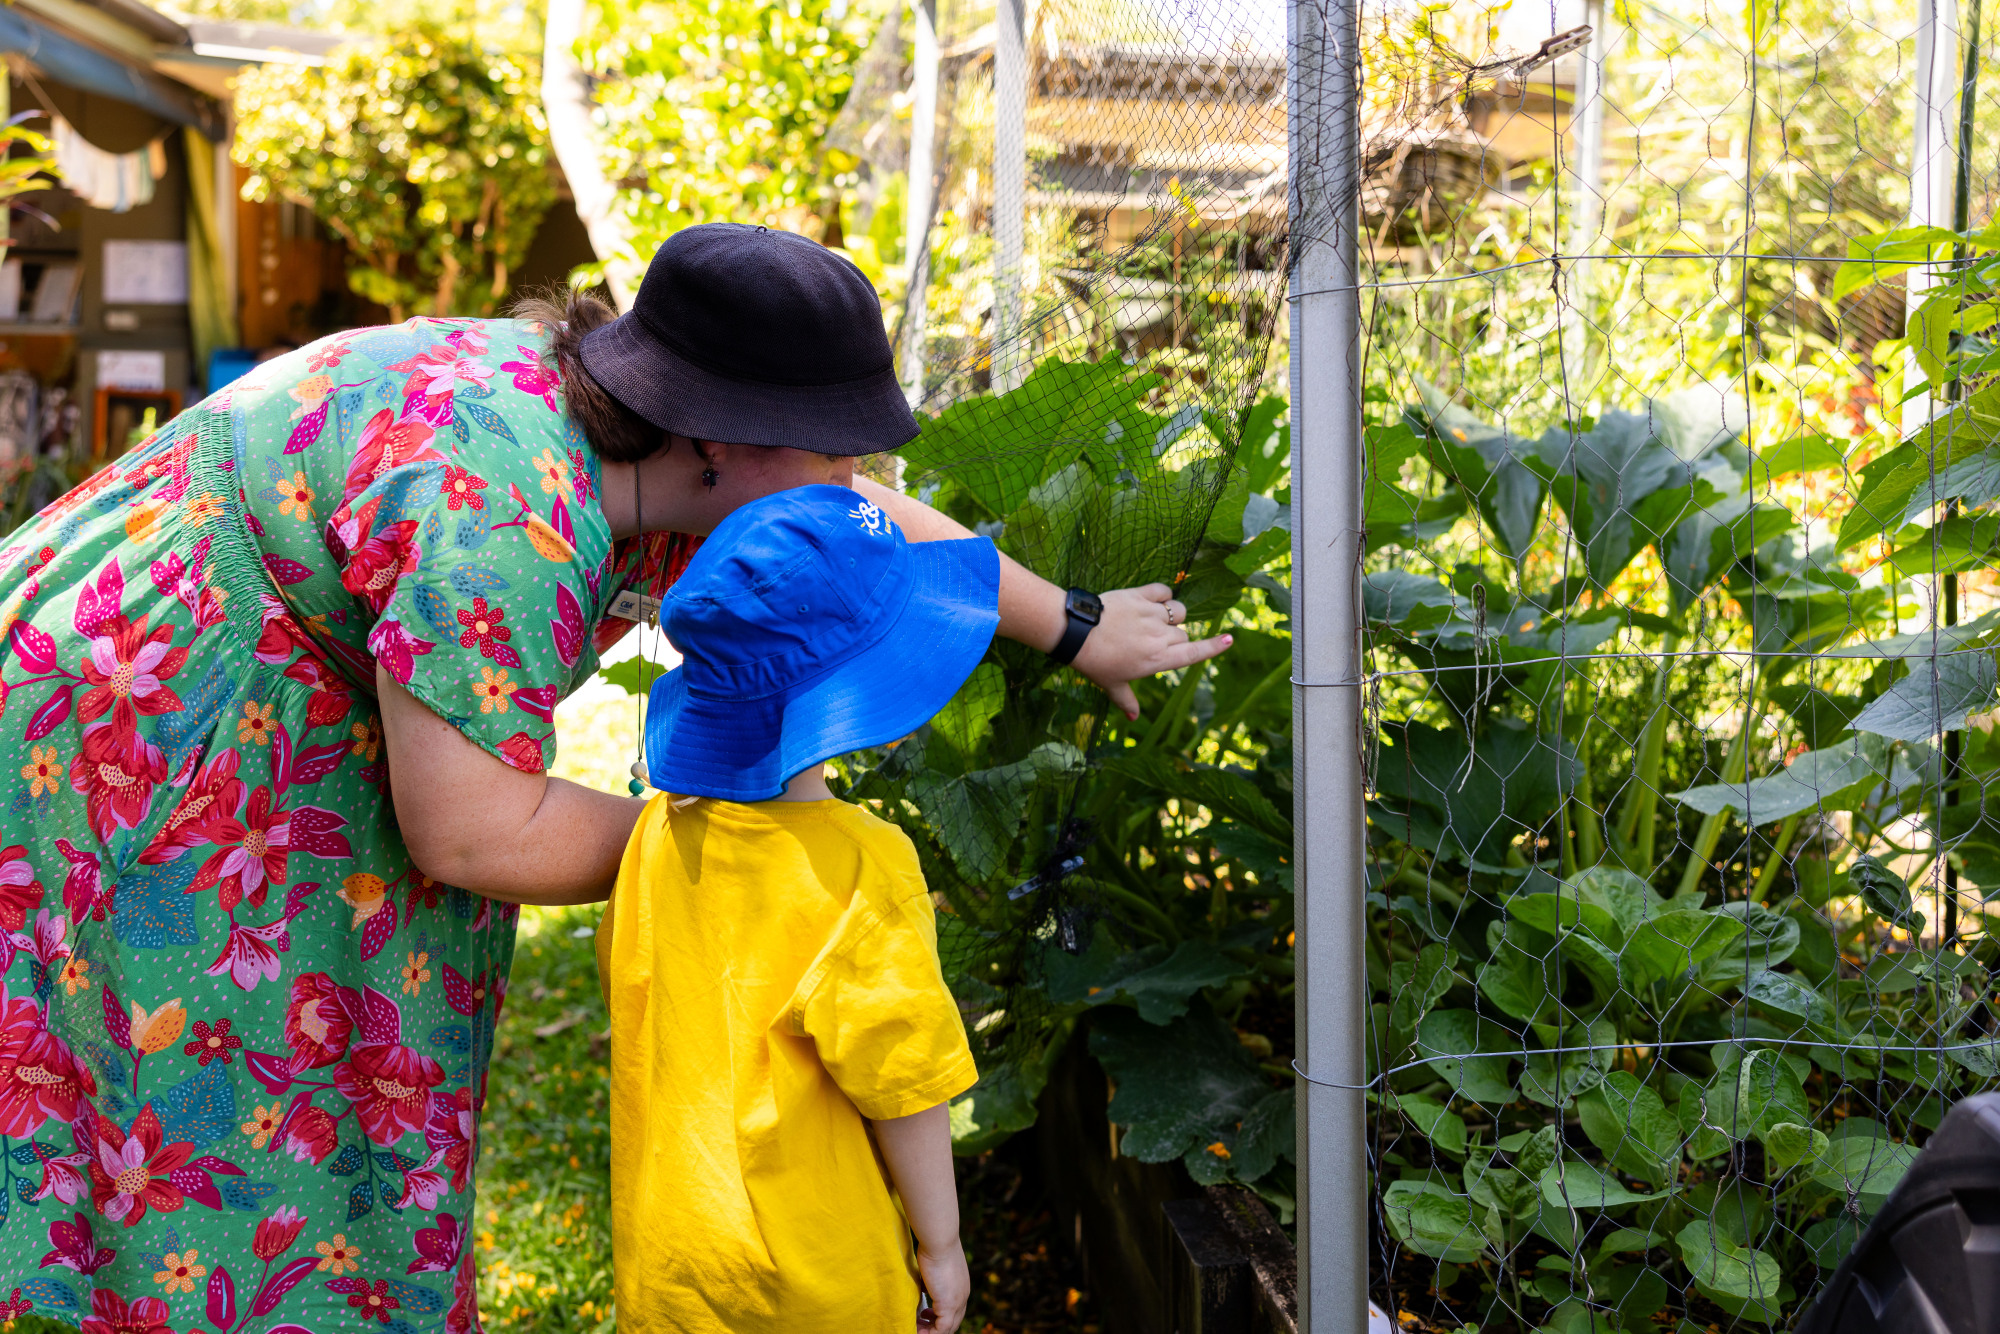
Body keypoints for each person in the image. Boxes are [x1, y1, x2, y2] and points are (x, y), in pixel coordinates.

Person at [0, 221, 1228, 1326]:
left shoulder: (647, 430)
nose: (855, 483)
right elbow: (475, 835)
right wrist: (752, 869)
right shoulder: (498, 515)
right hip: (143, 708)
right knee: (229, 1088)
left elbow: (858, 522)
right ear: (724, 437)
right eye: (835, 451)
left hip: (270, 663)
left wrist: (1071, 621)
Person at [600, 484, 992, 1333]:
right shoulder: (861, 867)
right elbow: (905, 1088)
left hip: (671, 1269)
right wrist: (944, 1245)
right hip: (821, 1282)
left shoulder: (655, 835)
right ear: (863, 686)